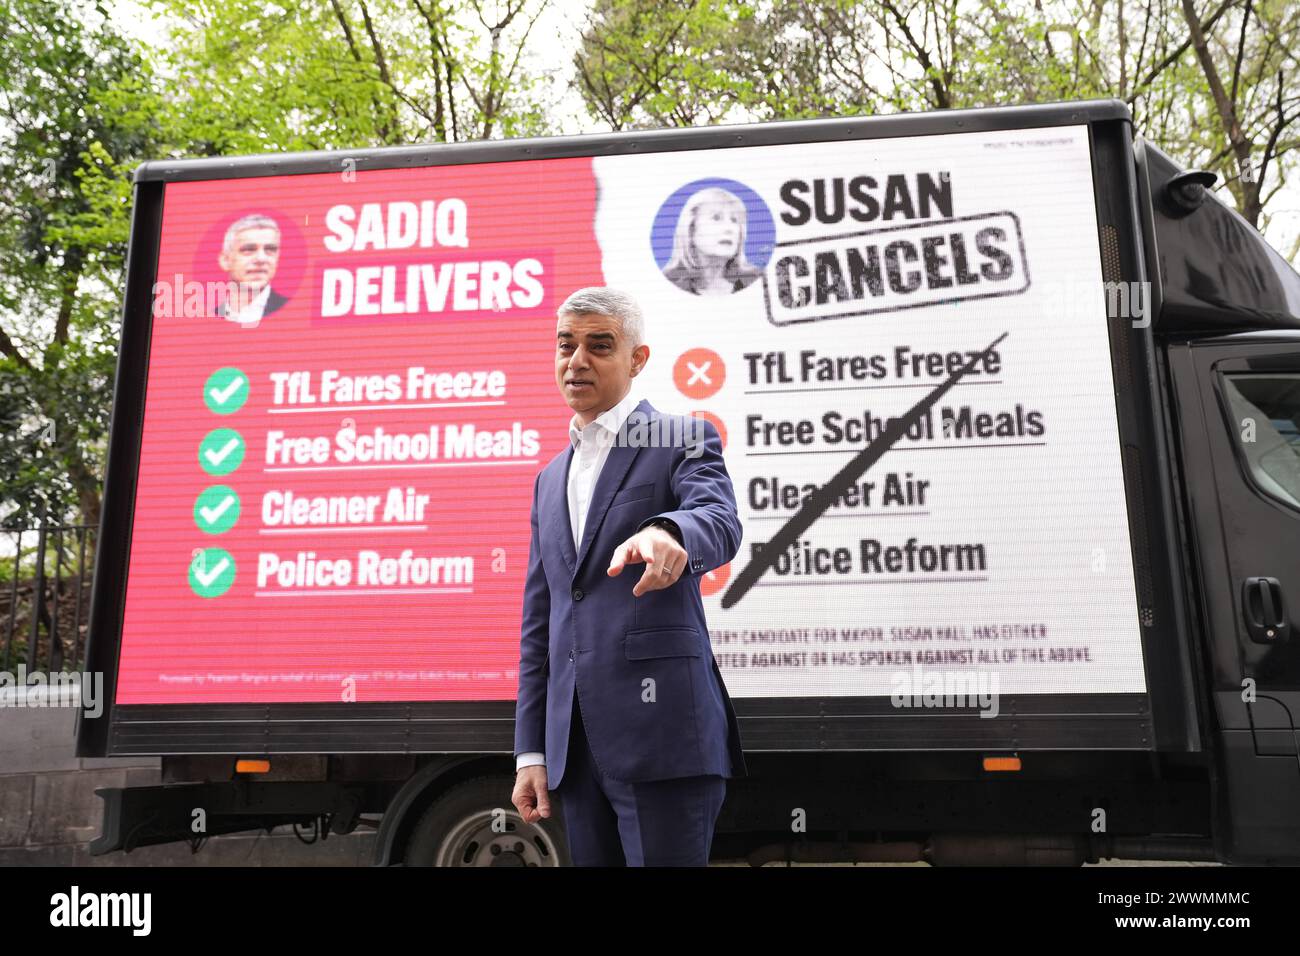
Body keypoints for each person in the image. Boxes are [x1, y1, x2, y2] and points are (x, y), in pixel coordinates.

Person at [511, 286, 747, 866]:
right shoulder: (549, 478)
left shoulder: (680, 437)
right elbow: (541, 623)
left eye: (600, 345)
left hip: (661, 737)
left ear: (637, 359)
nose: (577, 360)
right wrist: (531, 752)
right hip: (575, 752)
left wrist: (670, 532)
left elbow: (719, 521)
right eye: (565, 345)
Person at [661, 186, 764, 295]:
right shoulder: (665, 285)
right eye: (716, 218)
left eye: (734, 220)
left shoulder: (757, 280)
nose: (729, 229)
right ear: (691, 229)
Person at [214, 213, 287, 326]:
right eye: (249, 249)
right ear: (226, 261)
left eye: (270, 250)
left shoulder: (292, 312)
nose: (261, 259)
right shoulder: (210, 316)